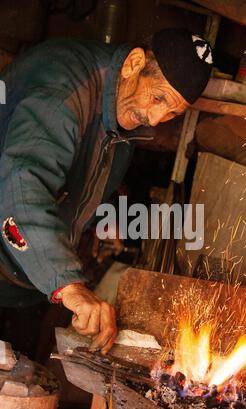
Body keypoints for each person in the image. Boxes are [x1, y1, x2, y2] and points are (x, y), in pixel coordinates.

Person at [0, 28, 213, 354]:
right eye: (158, 98)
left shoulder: (122, 110)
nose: (156, 119)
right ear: (134, 63)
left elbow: (83, 178)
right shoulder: (65, 89)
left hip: (29, 281)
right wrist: (69, 286)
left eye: (172, 113)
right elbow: (20, 187)